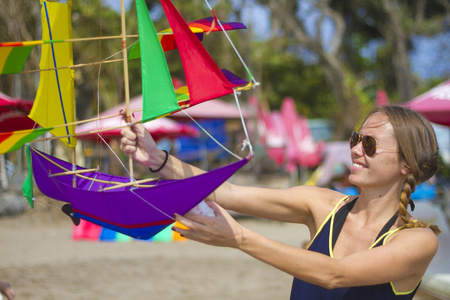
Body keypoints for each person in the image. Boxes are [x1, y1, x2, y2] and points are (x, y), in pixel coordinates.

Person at [120, 105, 440, 299]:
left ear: (405, 165)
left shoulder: (417, 241)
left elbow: (335, 274)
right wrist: (157, 158)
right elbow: (228, 193)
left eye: (369, 144)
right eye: (356, 139)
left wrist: (240, 238)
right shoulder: (322, 204)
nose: (355, 150)